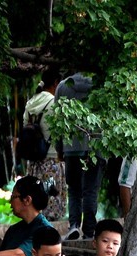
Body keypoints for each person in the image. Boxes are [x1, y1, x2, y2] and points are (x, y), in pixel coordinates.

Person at [55, 72, 102, 239]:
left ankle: (74, 225)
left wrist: (59, 148)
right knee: (91, 190)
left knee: (74, 189)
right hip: (96, 146)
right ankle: (89, 231)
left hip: (71, 147)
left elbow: (57, 120)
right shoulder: (100, 84)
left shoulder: (62, 86)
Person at [21, 75, 66, 222]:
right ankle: (48, 226)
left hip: (34, 158)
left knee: (36, 192)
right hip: (51, 158)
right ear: (55, 83)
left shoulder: (30, 102)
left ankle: (36, 220)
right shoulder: (54, 103)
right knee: (50, 193)